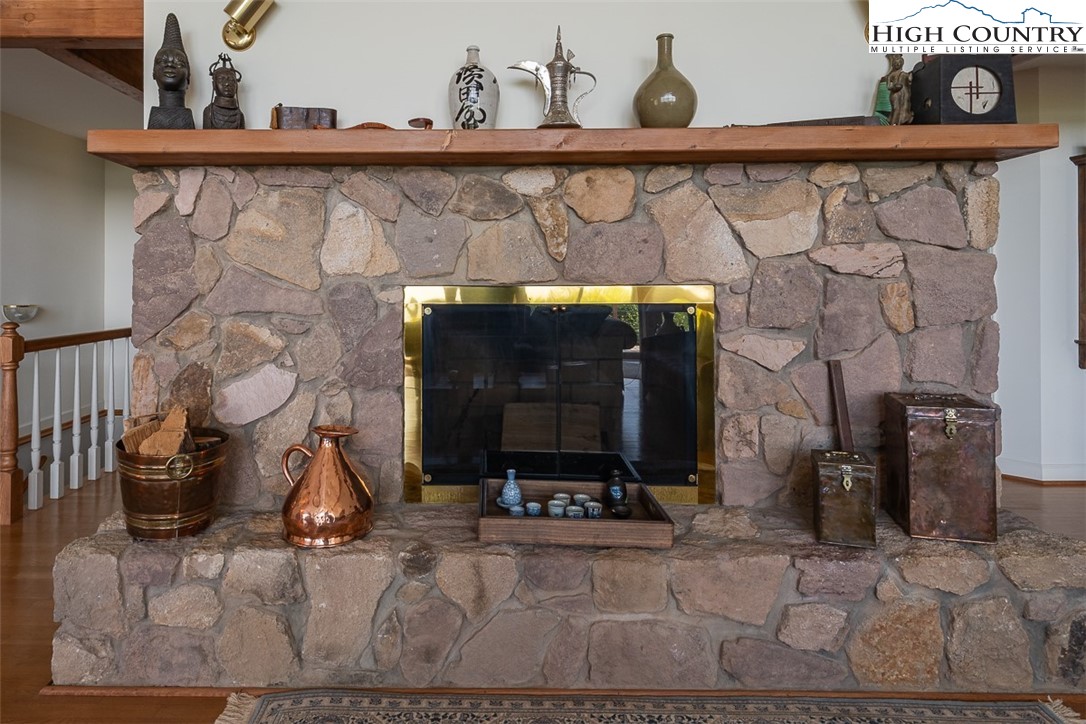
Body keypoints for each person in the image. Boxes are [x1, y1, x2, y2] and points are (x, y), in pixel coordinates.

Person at [147, 13, 195, 129]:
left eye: (179, 63)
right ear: (153, 73)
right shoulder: (156, 116)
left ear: (188, 76)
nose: (169, 64)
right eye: (162, 61)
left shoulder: (185, 117)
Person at [203, 54, 245, 129]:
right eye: (221, 79)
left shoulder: (239, 115)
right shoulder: (209, 112)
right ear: (214, 84)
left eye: (231, 80)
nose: (227, 83)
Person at [884, 54, 913, 126]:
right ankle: (893, 123)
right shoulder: (891, 75)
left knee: (904, 107)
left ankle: (901, 122)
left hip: (904, 93)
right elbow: (888, 86)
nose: (897, 64)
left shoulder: (904, 74)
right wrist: (894, 87)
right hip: (895, 94)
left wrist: (910, 79)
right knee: (895, 108)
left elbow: (909, 82)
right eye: (896, 63)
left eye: (899, 62)